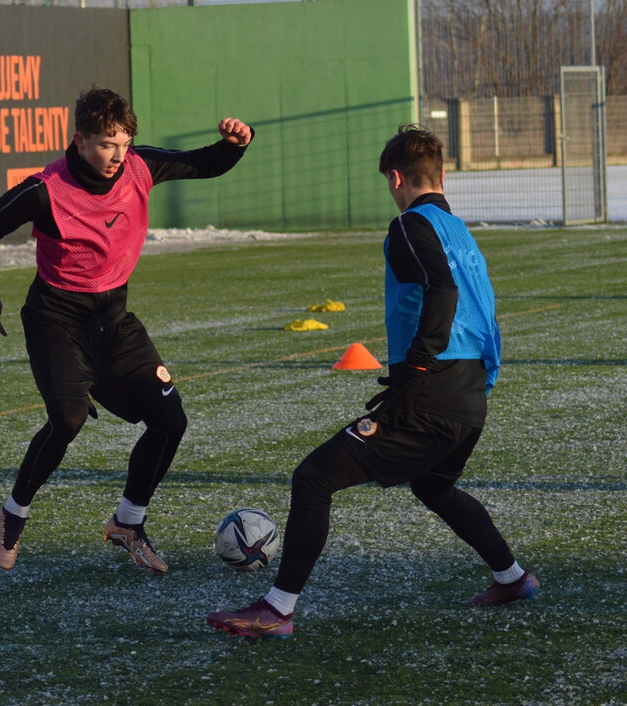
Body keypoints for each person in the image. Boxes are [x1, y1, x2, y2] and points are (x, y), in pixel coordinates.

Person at [207, 124, 538, 639]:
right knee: (435, 487)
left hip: (433, 392)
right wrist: (477, 381)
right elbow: (485, 310)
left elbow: (443, 294)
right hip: (469, 391)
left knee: (313, 479)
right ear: (443, 176)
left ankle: (276, 610)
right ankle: (513, 578)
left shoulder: (409, 225)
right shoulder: (460, 231)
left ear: (396, 178)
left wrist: (413, 381)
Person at [0, 86, 253, 574]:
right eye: (106, 144)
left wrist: (235, 144)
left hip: (115, 324)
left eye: (123, 144)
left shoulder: (138, 167)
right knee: (69, 420)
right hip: (56, 321)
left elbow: (202, 163)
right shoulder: (46, 189)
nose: (117, 156)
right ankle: (13, 514)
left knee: (171, 421)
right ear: (80, 140)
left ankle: (128, 522)